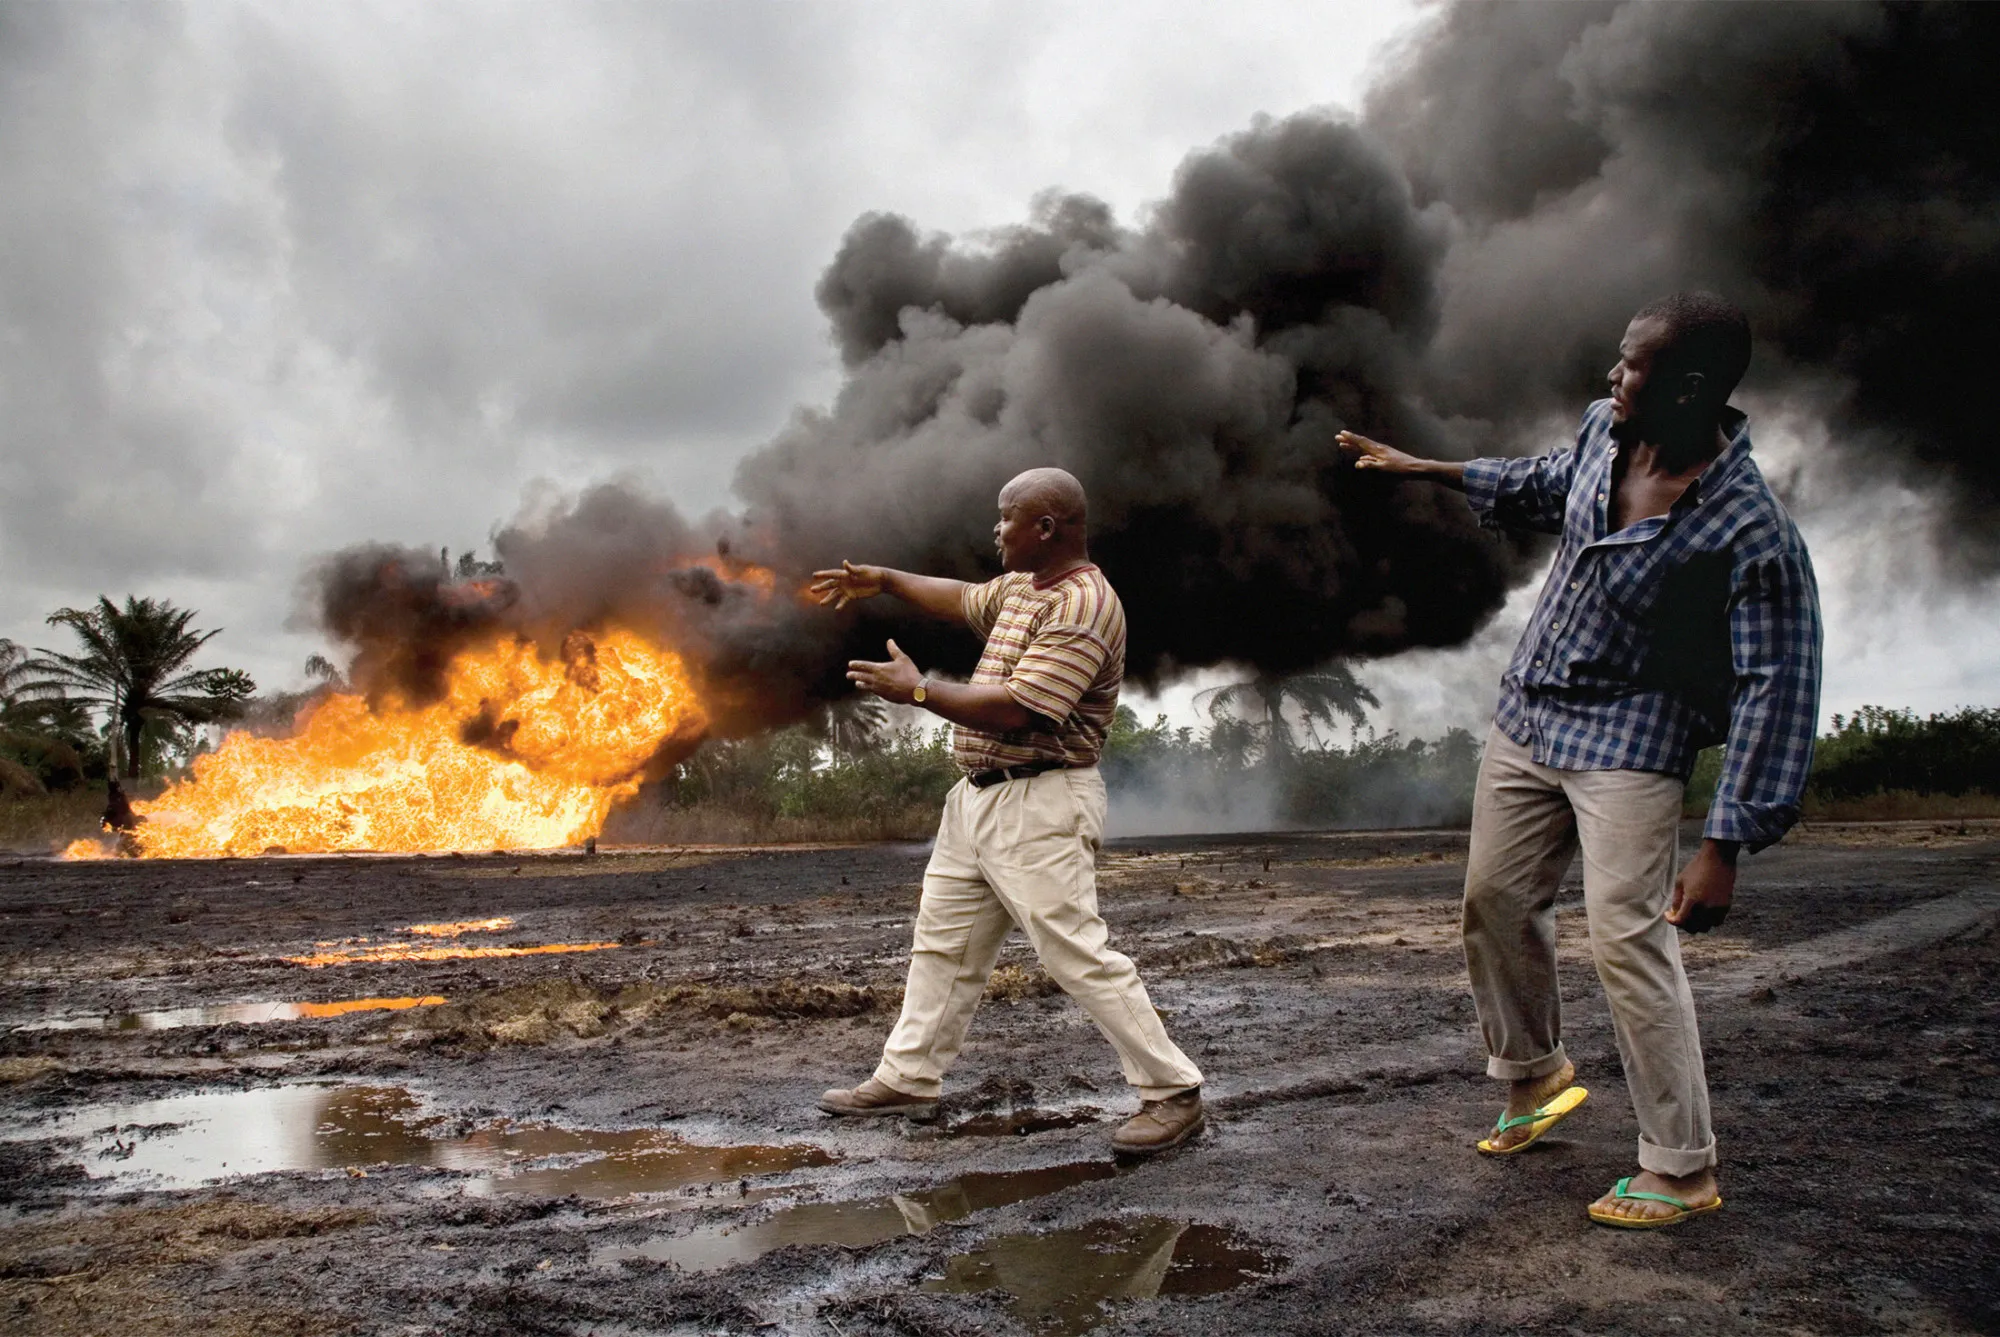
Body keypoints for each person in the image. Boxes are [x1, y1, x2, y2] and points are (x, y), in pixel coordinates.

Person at [1337, 292, 1822, 1227]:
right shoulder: (1606, 431)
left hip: (1632, 738)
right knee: (1494, 902)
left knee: (1627, 934)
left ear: (1685, 386)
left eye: (1631, 362)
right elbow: (1544, 479)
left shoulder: (1747, 529)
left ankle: (1682, 1166)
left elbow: (1779, 681)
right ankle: (1536, 1075)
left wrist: (1725, 842)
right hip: (1531, 714)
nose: (1612, 374)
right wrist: (1423, 466)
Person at [808, 466, 1207, 1156]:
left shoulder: (1084, 605)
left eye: (1005, 518)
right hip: (977, 800)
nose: (996, 530)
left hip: (1041, 799)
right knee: (943, 943)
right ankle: (909, 1076)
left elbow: (1024, 707)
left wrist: (921, 693)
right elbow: (962, 598)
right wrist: (884, 578)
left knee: (1075, 951)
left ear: (1045, 527)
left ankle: (1172, 1090)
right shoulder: (1026, 588)